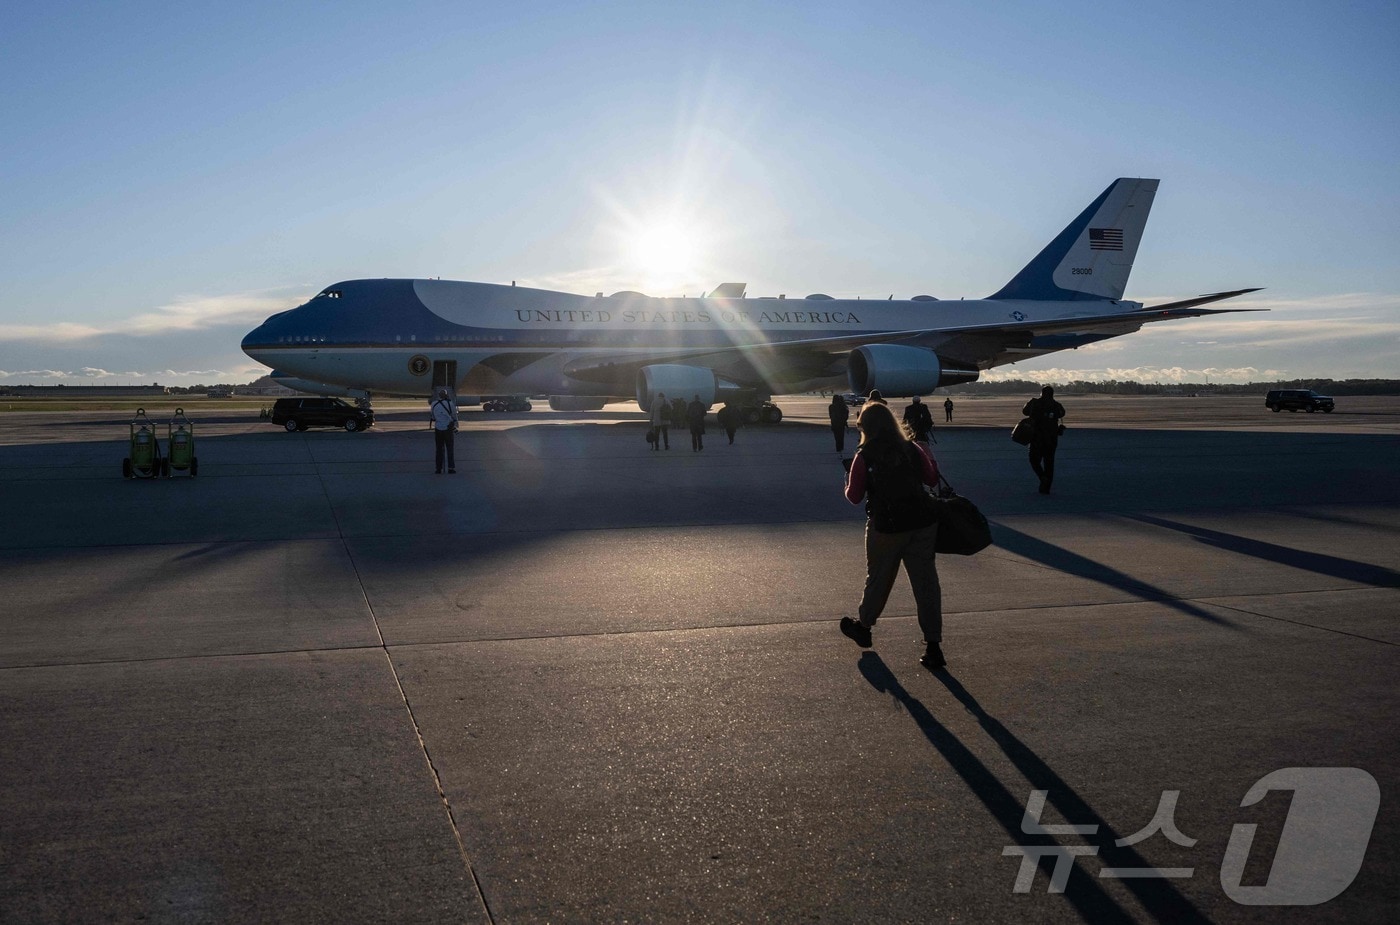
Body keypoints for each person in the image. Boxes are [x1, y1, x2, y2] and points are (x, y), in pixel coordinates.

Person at [838, 401, 946, 670]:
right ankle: (933, 646)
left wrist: (847, 479)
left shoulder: (865, 455)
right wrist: (928, 456)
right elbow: (932, 480)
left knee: (879, 579)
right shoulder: (912, 448)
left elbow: (854, 497)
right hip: (921, 523)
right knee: (926, 584)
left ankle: (864, 626)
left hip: (886, 525)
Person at [1022, 385, 1066, 494]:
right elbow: (1062, 414)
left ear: (1041, 393)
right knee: (1049, 463)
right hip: (1051, 438)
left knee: (1034, 460)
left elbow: (1025, 411)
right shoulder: (1056, 405)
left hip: (1036, 437)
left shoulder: (1034, 402)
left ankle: (1042, 478)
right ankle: (1046, 487)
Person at [430, 388, 458, 474]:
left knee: (439, 449)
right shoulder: (450, 403)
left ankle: (438, 468)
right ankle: (451, 468)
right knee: (450, 449)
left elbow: (433, 416)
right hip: (448, 428)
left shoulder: (433, 404)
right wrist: (455, 424)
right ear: (446, 395)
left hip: (438, 428)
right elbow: (454, 415)